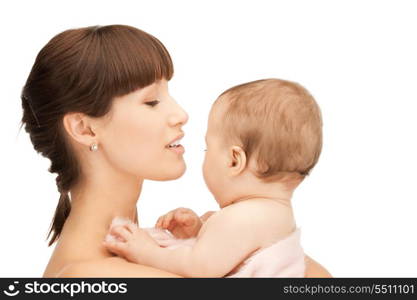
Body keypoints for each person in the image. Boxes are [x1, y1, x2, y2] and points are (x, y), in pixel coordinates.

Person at [20, 24, 330, 277]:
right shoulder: (91, 278)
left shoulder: (162, 252)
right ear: (85, 129)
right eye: (151, 101)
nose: (180, 114)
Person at [103, 79, 326, 277]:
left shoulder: (242, 218)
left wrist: (146, 252)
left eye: (207, 149)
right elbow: (232, 258)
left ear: (234, 161)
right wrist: (199, 233)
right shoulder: (275, 215)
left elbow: (199, 269)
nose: (205, 155)